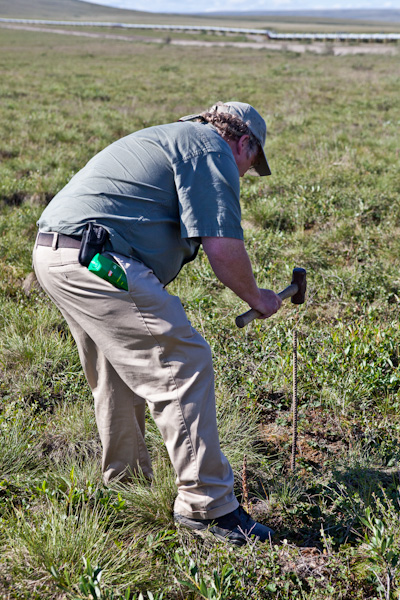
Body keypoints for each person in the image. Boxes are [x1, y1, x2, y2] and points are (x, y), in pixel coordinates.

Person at [32, 101, 282, 546]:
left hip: (58, 254)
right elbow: (222, 248)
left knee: (116, 372)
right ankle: (208, 507)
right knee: (182, 361)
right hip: (99, 259)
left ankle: (126, 486)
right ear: (243, 142)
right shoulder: (211, 150)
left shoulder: (171, 137)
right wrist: (258, 298)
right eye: (251, 163)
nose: (244, 173)